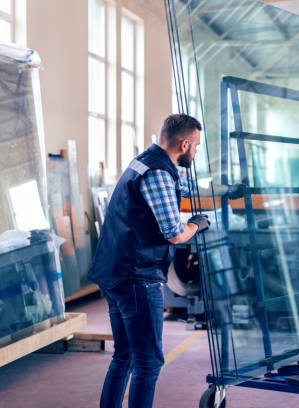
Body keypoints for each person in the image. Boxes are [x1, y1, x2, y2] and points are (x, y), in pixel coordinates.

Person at [88, 114, 210, 408]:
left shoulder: (142, 162)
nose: (196, 153)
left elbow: (148, 214)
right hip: (136, 277)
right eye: (196, 147)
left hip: (115, 271)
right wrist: (197, 224)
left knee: (125, 354)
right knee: (148, 362)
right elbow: (174, 233)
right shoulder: (158, 173)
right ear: (184, 144)